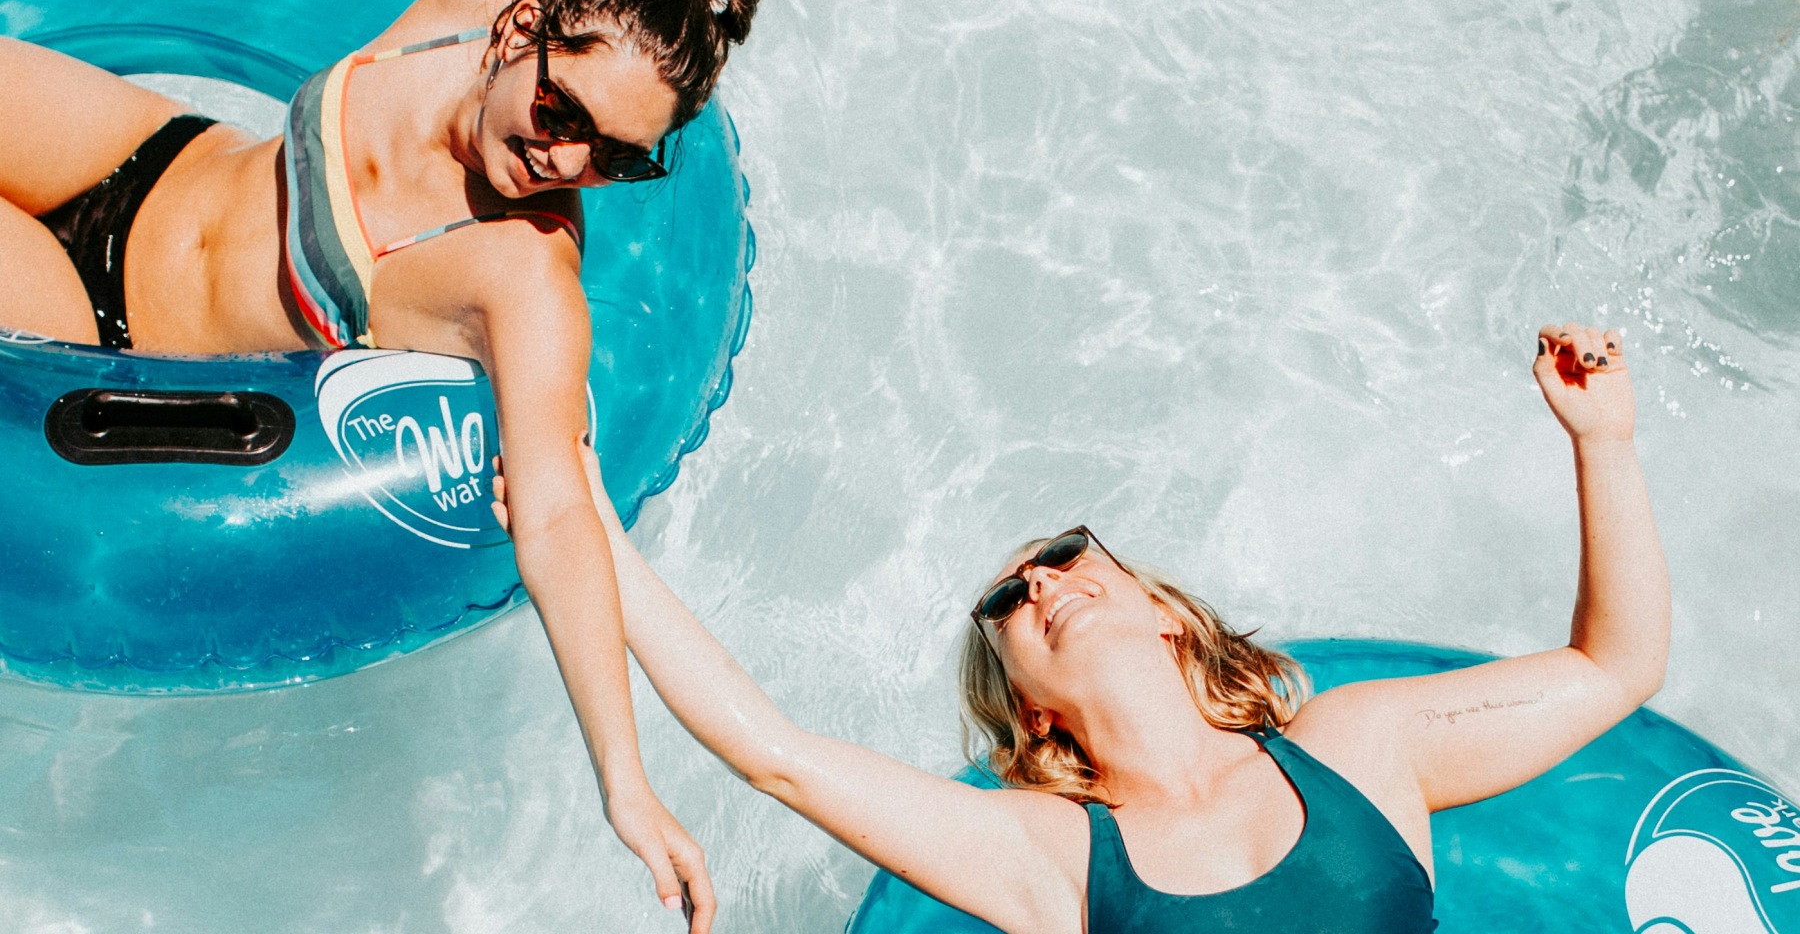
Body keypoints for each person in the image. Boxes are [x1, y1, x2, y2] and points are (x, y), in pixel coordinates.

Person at [0, 0, 758, 927]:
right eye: (563, 112)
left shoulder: (521, 276)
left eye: (617, 158)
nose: (566, 161)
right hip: (146, 154)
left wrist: (627, 782)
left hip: (102, 329)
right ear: (520, 28)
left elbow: (561, 517)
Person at [494, 322, 1669, 932]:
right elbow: (776, 756)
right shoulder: (1053, 857)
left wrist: (1600, 440)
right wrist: (588, 526)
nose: (1042, 585)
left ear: (1164, 609)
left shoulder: (1364, 749)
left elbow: (1615, 667)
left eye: (1061, 555)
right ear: (1028, 702)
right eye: (1008, 600)